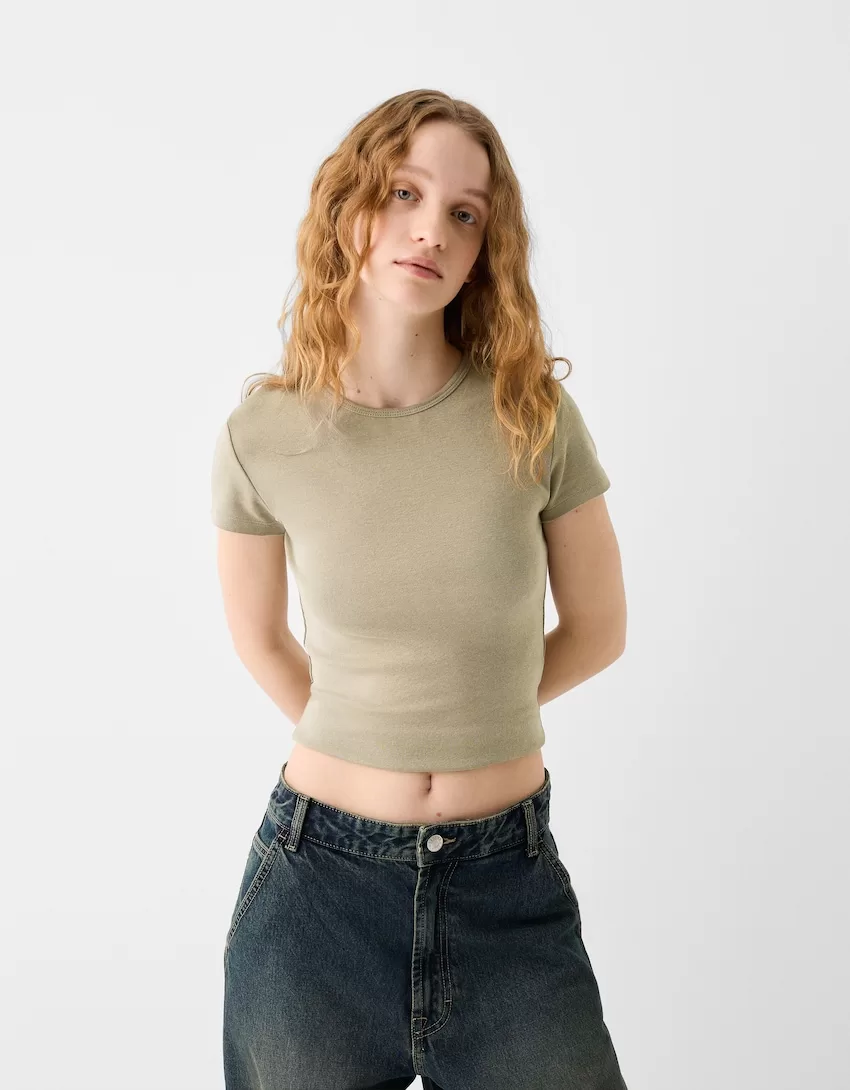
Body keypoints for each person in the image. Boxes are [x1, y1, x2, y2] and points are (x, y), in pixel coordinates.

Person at [211, 88, 628, 1090]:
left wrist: (470, 709)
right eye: (403, 192)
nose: (431, 229)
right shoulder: (261, 436)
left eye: (464, 213)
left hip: (506, 889)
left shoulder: (532, 416)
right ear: (349, 206)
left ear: (485, 249)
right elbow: (261, 639)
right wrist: (378, 726)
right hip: (316, 895)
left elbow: (600, 627)